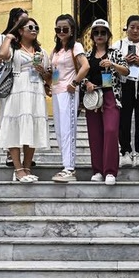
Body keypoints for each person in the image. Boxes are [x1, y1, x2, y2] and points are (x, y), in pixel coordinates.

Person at [0, 16, 50, 182]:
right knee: (15, 125)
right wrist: (9, 37)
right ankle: (18, 169)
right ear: (21, 30)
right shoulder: (15, 49)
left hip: (35, 89)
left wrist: (42, 71)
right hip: (18, 88)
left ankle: (27, 168)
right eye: (30, 27)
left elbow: (50, 77)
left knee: (32, 126)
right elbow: (2, 55)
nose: (33, 30)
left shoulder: (41, 52)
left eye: (36, 28)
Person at [82, 19, 128, 185]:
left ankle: (110, 171)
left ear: (108, 35)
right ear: (92, 36)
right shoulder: (87, 56)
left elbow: (126, 71)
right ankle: (98, 170)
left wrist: (113, 64)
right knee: (95, 135)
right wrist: (86, 83)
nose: (99, 35)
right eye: (96, 32)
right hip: (93, 98)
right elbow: (81, 76)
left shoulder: (115, 53)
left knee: (110, 131)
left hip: (110, 95)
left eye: (103, 32)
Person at [112, 15, 139, 168]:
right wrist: (124, 60)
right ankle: (124, 151)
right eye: (132, 27)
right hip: (125, 84)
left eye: (138, 28)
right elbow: (111, 62)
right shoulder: (118, 44)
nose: (135, 31)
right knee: (123, 118)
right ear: (126, 28)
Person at [49, 14, 88, 182]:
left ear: (72, 30)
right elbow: (53, 72)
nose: (61, 32)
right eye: (58, 29)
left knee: (67, 129)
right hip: (57, 90)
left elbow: (85, 65)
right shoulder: (56, 50)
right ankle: (65, 165)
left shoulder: (76, 46)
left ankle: (70, 168)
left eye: (65, 29)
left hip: (69, 90)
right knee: (59, 130)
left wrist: (75, 82)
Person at [0, 8, 31, 168]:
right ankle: (10, 153)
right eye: (23, 21)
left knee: (23, 117)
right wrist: (4, 57)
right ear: (15, 21)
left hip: (25, 84)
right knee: (10, 117)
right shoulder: (2, 38)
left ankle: (23, 154)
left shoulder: (28, 42)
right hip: (8, 81)